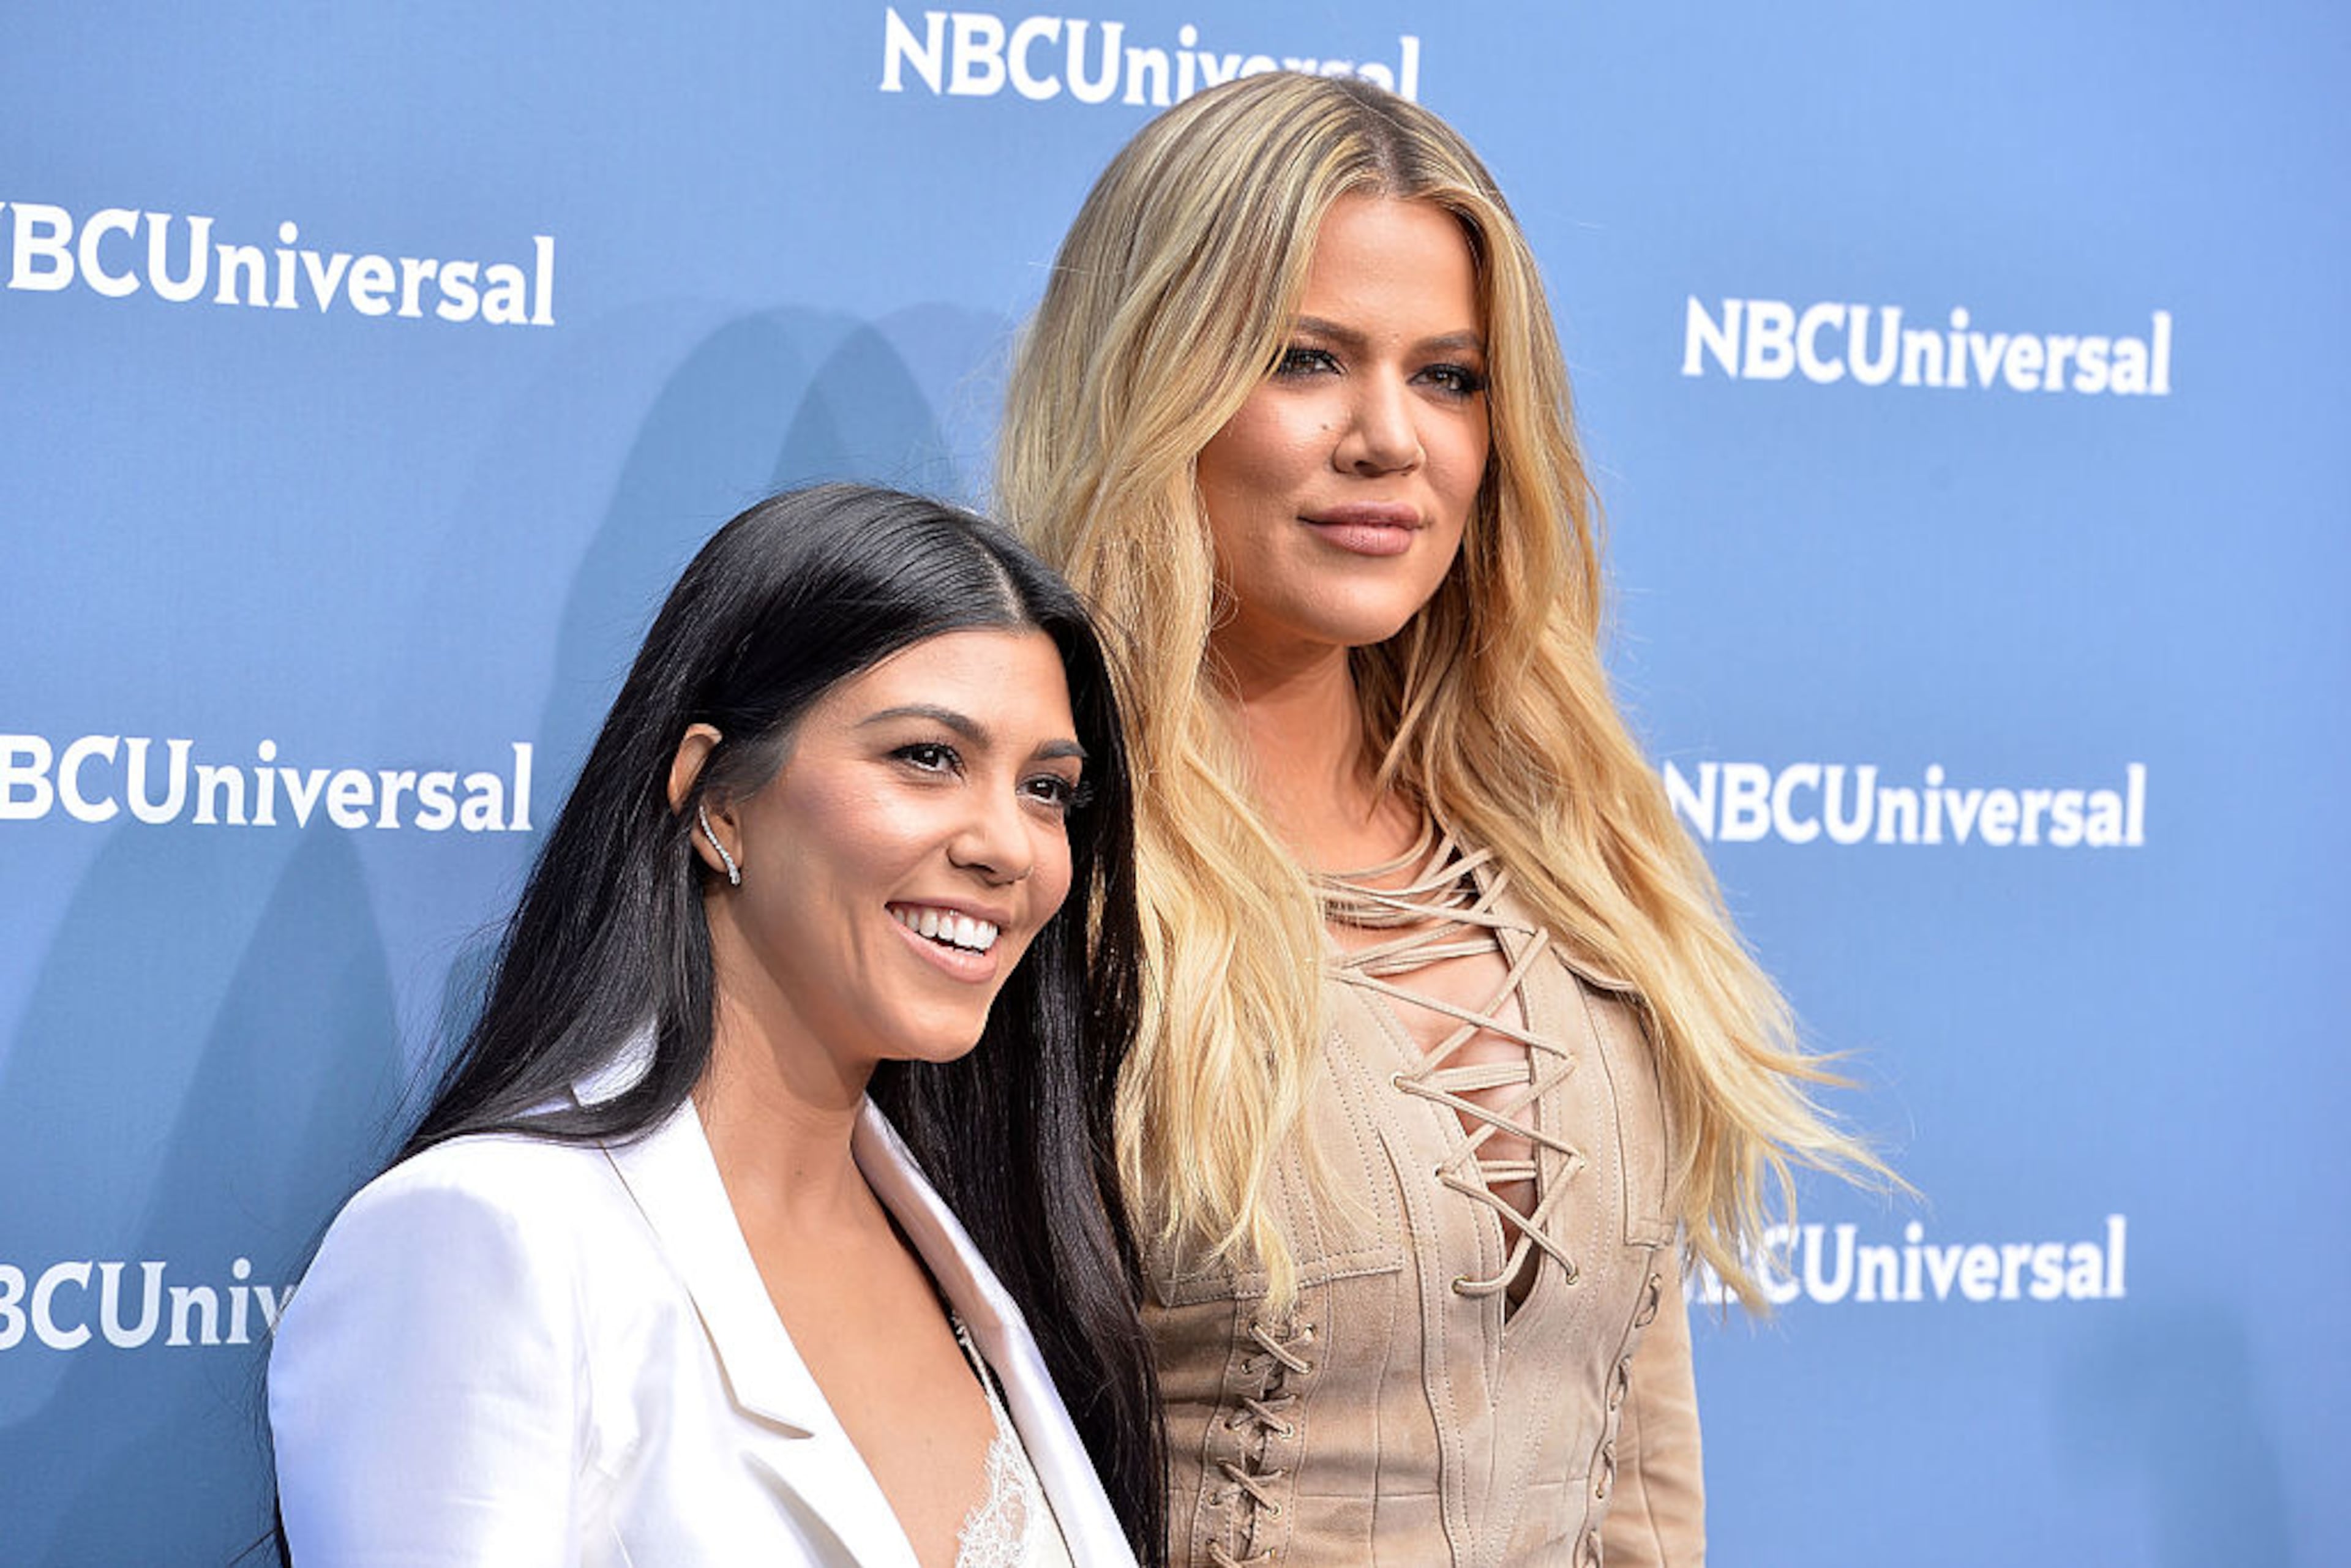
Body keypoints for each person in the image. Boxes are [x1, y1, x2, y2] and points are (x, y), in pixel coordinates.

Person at [997, 75, 1883, 1567]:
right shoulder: (1041, 860)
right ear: (1152, 380)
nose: (1389, 438)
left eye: (1450, 377)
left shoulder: (1576, 847)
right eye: (1307, 360)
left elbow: (1642, 1449)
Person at [268, 485, 1165, 1568]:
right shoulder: (491, 1234)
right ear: (715, 799)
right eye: (927, 756)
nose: (1008, 846)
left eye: (1046, 789)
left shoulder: (988, 1257)